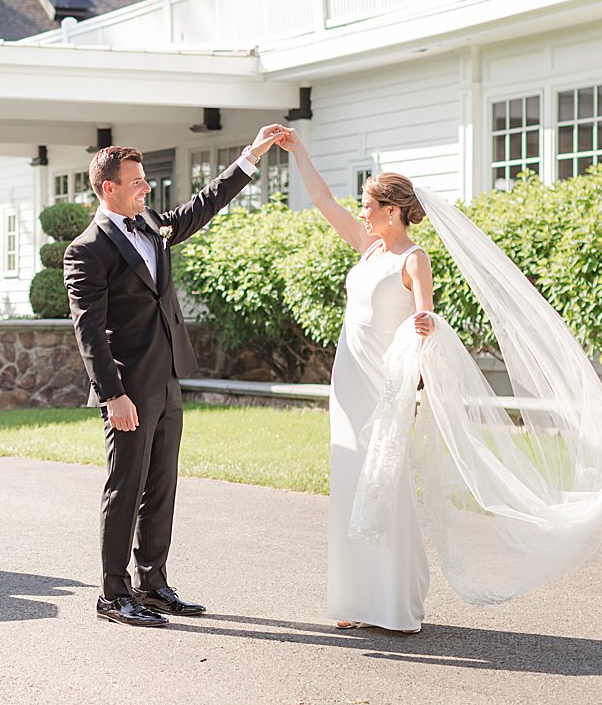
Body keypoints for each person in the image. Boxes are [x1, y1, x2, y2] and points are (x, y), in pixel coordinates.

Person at [64, 124, 288, 628]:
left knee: (162, 484)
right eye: (138, 181)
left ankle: (153, 583)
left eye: (145, 181)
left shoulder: (151, 225)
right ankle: (113, 593)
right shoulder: (87, 250)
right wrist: (113, 395)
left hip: (167, 379)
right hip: (128, 388)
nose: (146, 187)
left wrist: (250, 156)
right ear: (109, 188)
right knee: (126, 485)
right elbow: (89, 332)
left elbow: (203, 206)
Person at [277, 128, 434, 633]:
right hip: (347, 384)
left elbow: (424, 317)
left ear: (392, 210)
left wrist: (425, 326)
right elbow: (321, 199)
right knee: (349, 481)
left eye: (368, 205)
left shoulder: (414, 259)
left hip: (386, 386)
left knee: (385, 482)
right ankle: (355, 598)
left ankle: (392, 604)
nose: (361, 212)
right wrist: (299, 151)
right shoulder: (367, 247)